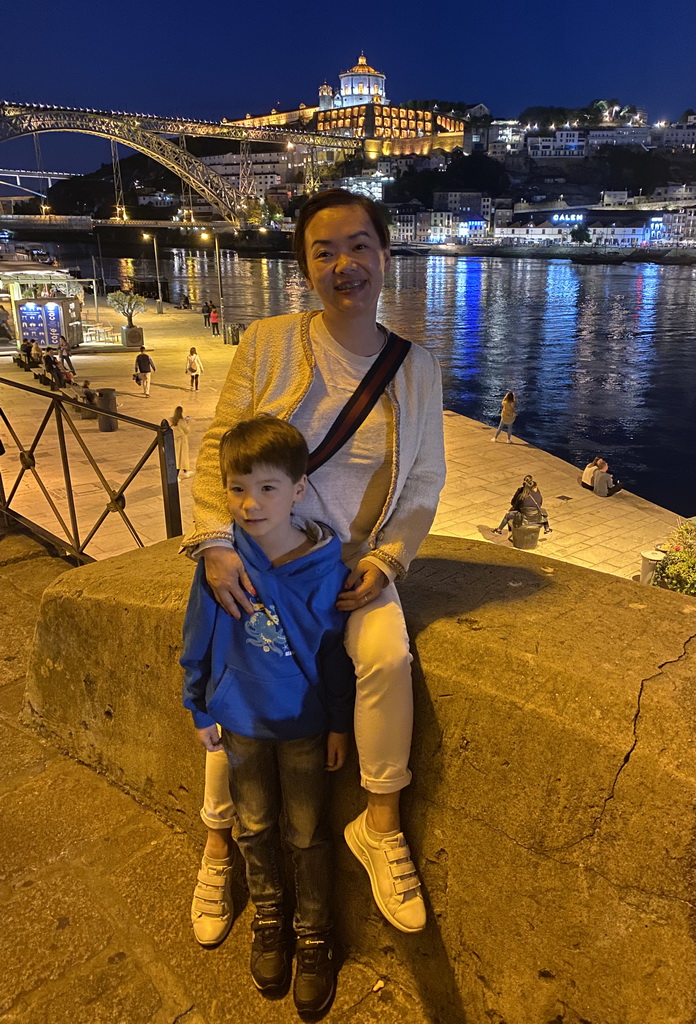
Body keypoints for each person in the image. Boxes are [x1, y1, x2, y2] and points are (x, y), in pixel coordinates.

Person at [182, 188, 446, 940]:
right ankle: (216, 844)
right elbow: (218, 452)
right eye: (323, 252)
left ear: (385, 256)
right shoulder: (269, 341)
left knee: (387, 657)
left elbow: (425, 481)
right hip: (264, 563)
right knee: (242, 679)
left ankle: (381, 824)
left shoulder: (415, 367)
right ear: (305, 268)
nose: (344, 264)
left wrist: (389, 560)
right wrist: (219, 545)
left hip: (352, 567)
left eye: (359, 246)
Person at [181, 415, 355, 1014]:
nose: (250, 504)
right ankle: (270, 917)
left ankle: (314, 932)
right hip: (242, 722)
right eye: (237, 489)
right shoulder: (223, 561)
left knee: (308, 834)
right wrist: (198, 701)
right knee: (253, 827)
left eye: (268, 488)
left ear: (299, 489)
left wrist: (338, 721)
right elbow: (198, 635)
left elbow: (335, 655)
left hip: (305, 724)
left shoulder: (325, 567)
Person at [170, 406, 192, 478]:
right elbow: (187, 430)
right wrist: (187, 422)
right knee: (181, 459)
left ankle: (186, 471)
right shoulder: (181, 421)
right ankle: (177, 475)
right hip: (182, 442)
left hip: (177, 442)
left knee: (179, 458)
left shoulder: (173, 420)